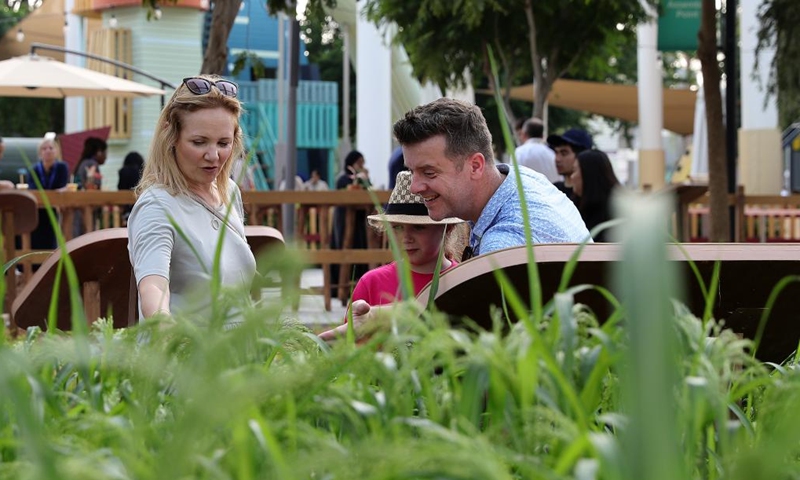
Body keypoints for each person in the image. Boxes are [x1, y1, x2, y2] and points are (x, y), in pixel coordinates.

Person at [319, 98, 590, 341]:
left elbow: (467, 325)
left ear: (475, 165)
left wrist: (382, 317)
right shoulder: (521, 180)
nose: (415, 187)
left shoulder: (504, 243)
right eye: (412, 171)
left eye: (429, 172)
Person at [127, 75, 255, 322]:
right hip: (186, 352)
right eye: (199, 142)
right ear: (171, 136)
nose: (213, 155)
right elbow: (153, 287)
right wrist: (164, 330)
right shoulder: (157, 206)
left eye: (224, 143)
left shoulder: (229, 192)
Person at [346, 170, 466, 313]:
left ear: (448, 227)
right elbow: (352, 333)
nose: (406, 237)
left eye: (418, 227)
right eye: (397, 227)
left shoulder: (463, 281)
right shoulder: (371, 283)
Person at [330, 150, 372, 301]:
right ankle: (340, 288)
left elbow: (369, 191)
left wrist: (365, 179)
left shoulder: (364, 178)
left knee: (361, 247)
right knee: (344, 246)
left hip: (360, 219)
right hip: (344, 218)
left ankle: (360, 286)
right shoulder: (342, 179)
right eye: (359, 162)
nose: (362, 165)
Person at [27, 137, 69, 250]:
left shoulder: (62, 167)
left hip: (55, 210)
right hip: (37, 211)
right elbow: (33, 189)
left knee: (52, 241)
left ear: (56, 151)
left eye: (51, 148)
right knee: (35, 240)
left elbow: (63, 185)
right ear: (40, 153)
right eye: (44, 148)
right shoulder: (33, 169)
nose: (48, 150)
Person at [571, 149, 621, 242]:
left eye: (574, 171)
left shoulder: (615, 213)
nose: (572, 177)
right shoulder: (573, 207)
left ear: (589, 175)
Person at [546, 128, 593, 201]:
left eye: (564, 153)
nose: (557, 159)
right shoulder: (554, 190)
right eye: (556, 153)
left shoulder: (591, 195)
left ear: (581, 156)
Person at [514, 117, 560, 183]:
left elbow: (514, 179)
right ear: (542, 136)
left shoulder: (518, 153)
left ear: (524, 134)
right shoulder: (552, 153)